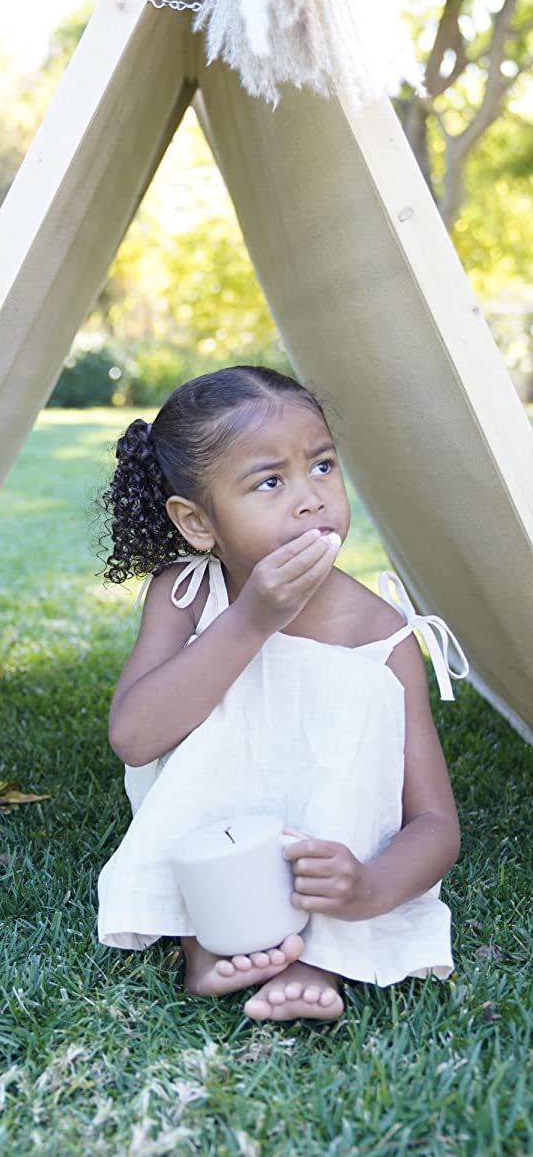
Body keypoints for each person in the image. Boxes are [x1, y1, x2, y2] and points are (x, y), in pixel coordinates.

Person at [96, 365, 467, 1023]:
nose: (309, 498)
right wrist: (251, 620)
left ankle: (317, 956)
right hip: (208, 841)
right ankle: (203, 937)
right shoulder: (186, 595)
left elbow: (434, 822)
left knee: (344, 859)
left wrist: (371, 884)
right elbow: (133, 736)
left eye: (321, 466)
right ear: (197, 522)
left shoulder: (382, 637)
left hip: (325, 861)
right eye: (269, 482)